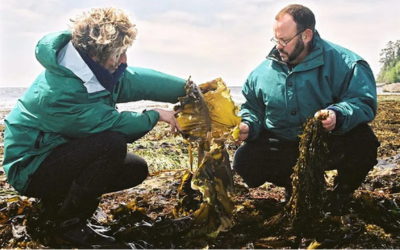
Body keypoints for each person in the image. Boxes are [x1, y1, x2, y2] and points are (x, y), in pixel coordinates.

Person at [2, 7, 187, 247]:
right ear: (95, 54)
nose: (124, 60)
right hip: (30, 168)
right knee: (110, 144)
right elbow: (112, 124)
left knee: (135, 168)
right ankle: (69, 226)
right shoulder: (58, 92)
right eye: (119, 54)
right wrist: (156, 115)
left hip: (58, 152)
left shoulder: (94, 71)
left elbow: (138, 81)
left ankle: (57, 206)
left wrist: (190, 91)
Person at [233, 4, 380, 214]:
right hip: (284, 145)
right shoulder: (260, 75)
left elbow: (362, 101)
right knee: (245, 160)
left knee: (364, 143)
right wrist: (248, 125)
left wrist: (338, 114)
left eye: (284, 40)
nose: (278, 46)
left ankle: (342, 193)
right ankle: (292, 187)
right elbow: (253, 109)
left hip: (330, 143)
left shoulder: (347, 63)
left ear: (307, 35)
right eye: (275, 39)